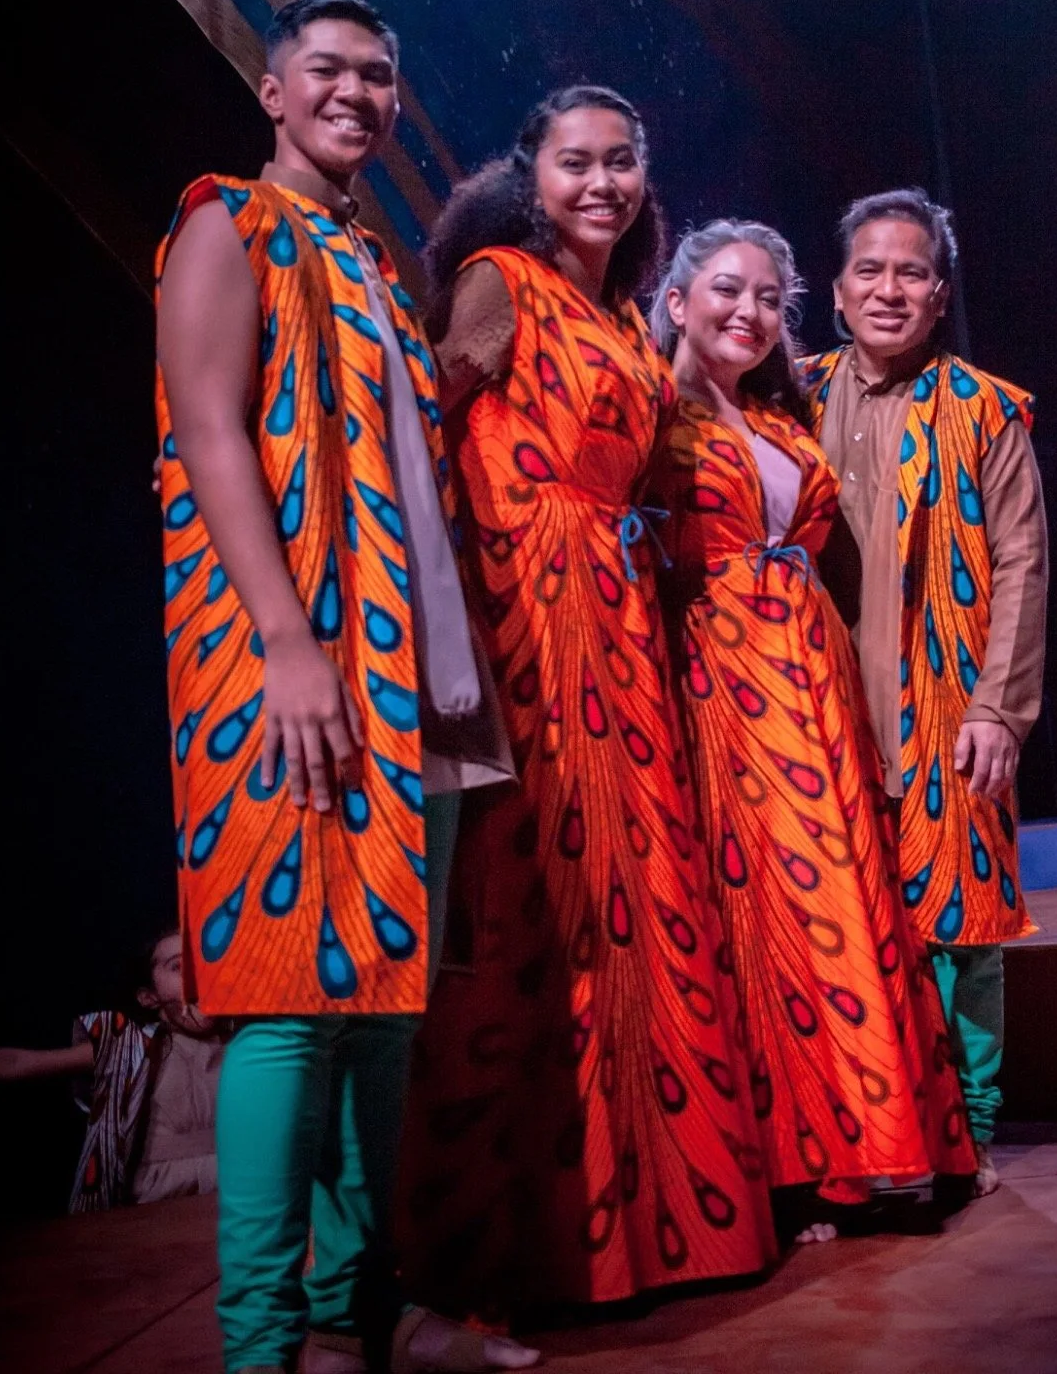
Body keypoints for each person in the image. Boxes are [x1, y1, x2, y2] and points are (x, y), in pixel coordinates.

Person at [155, 0, 528, 1374]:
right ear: (270, 88)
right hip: (293, 662)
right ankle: (261, 1341)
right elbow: (206, 437)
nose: (357, 95)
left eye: (379, 75)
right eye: (329, 71)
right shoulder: (225, 223)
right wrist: (286, 642)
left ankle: (355, 1315)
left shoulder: (368, 259)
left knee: (385, 1007)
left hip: (407, 669)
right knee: (291, 1003)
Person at [402, 89, 778, 1314]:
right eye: (577, 161)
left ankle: (659, 1232)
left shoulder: (618, 312)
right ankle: (508, 1255)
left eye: (622, 160)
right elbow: (419, 421)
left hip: (617, 630)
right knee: (537, 914)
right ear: (534, 172)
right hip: (524, 614)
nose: (601, 182)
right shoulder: (502, 279)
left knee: (640, 904)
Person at [647, 221, 975, 1237]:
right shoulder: (648, 412)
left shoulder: (775, 417)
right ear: (677, 299)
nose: (747, 312)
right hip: (725, 676)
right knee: (772, 912)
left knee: (848, 893)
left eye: (766, 298)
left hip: (813, 677)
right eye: (726, 290)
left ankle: (886, 1140)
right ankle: (801, 1164)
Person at [799, 189, 1048, 1196]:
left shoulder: (987, 407)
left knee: (964, 926)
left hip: (947, 708)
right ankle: (874, 1137)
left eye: (910, 271)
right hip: (819, 718)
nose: (888, 288)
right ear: (838, 290)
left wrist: (1000, 705)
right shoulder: (791, 396)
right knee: (850, 929)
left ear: (938, 295)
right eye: (871, 269)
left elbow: (1024, 561)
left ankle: (970, 1130)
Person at [0, 927, 224, 1210]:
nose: (195, 974)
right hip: (158, 1207)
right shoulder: (129, 1045)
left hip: (236, 1197)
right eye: (177, 966)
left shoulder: (247, 1049)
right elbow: (19, 1063)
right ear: (149, 997)